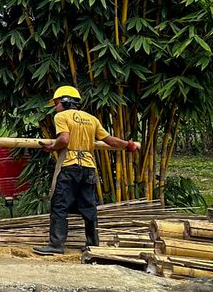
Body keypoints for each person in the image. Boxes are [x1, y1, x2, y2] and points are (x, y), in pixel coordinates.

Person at [32, 86, 140, 256]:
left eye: (56, 103)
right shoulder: (91, 119)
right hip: (89, 167)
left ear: (65, 101)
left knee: (59, 205)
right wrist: (128, 145)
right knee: (89, 207)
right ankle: (93, 244)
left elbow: (64, 139)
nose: (55, 107)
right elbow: (110, 141)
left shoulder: (61, 116)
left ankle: (56, 245)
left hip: (70, 165)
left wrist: (52, 146)